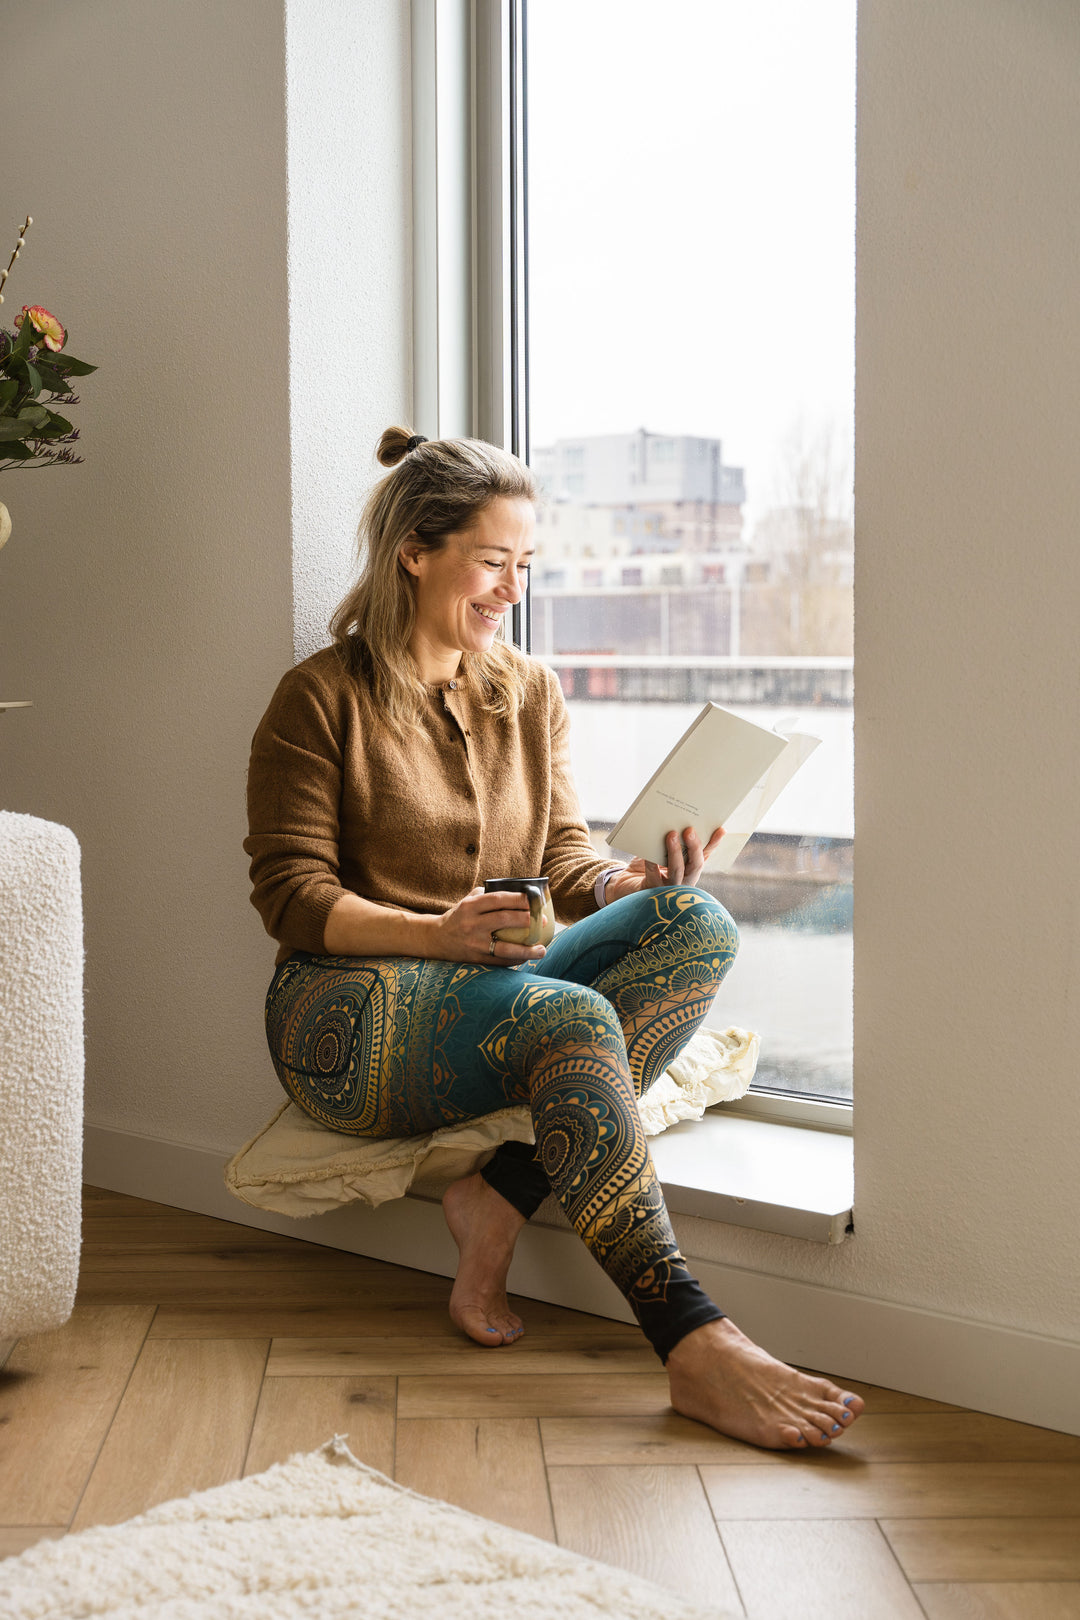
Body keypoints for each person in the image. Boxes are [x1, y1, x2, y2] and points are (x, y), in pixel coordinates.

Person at [243, 426, 864, 1451]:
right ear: (416, 551)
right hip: (342, 1016)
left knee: (692, 923)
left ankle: (502, 1196)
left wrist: (631, 882)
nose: (510, 589)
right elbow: (289, 894)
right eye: (493, 562)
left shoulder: (528, 692)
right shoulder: (319, 699)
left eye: (524, 566)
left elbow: (567, 859)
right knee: (569, 1013)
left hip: (492, 983)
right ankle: (690, 1336)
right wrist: (432, 934)